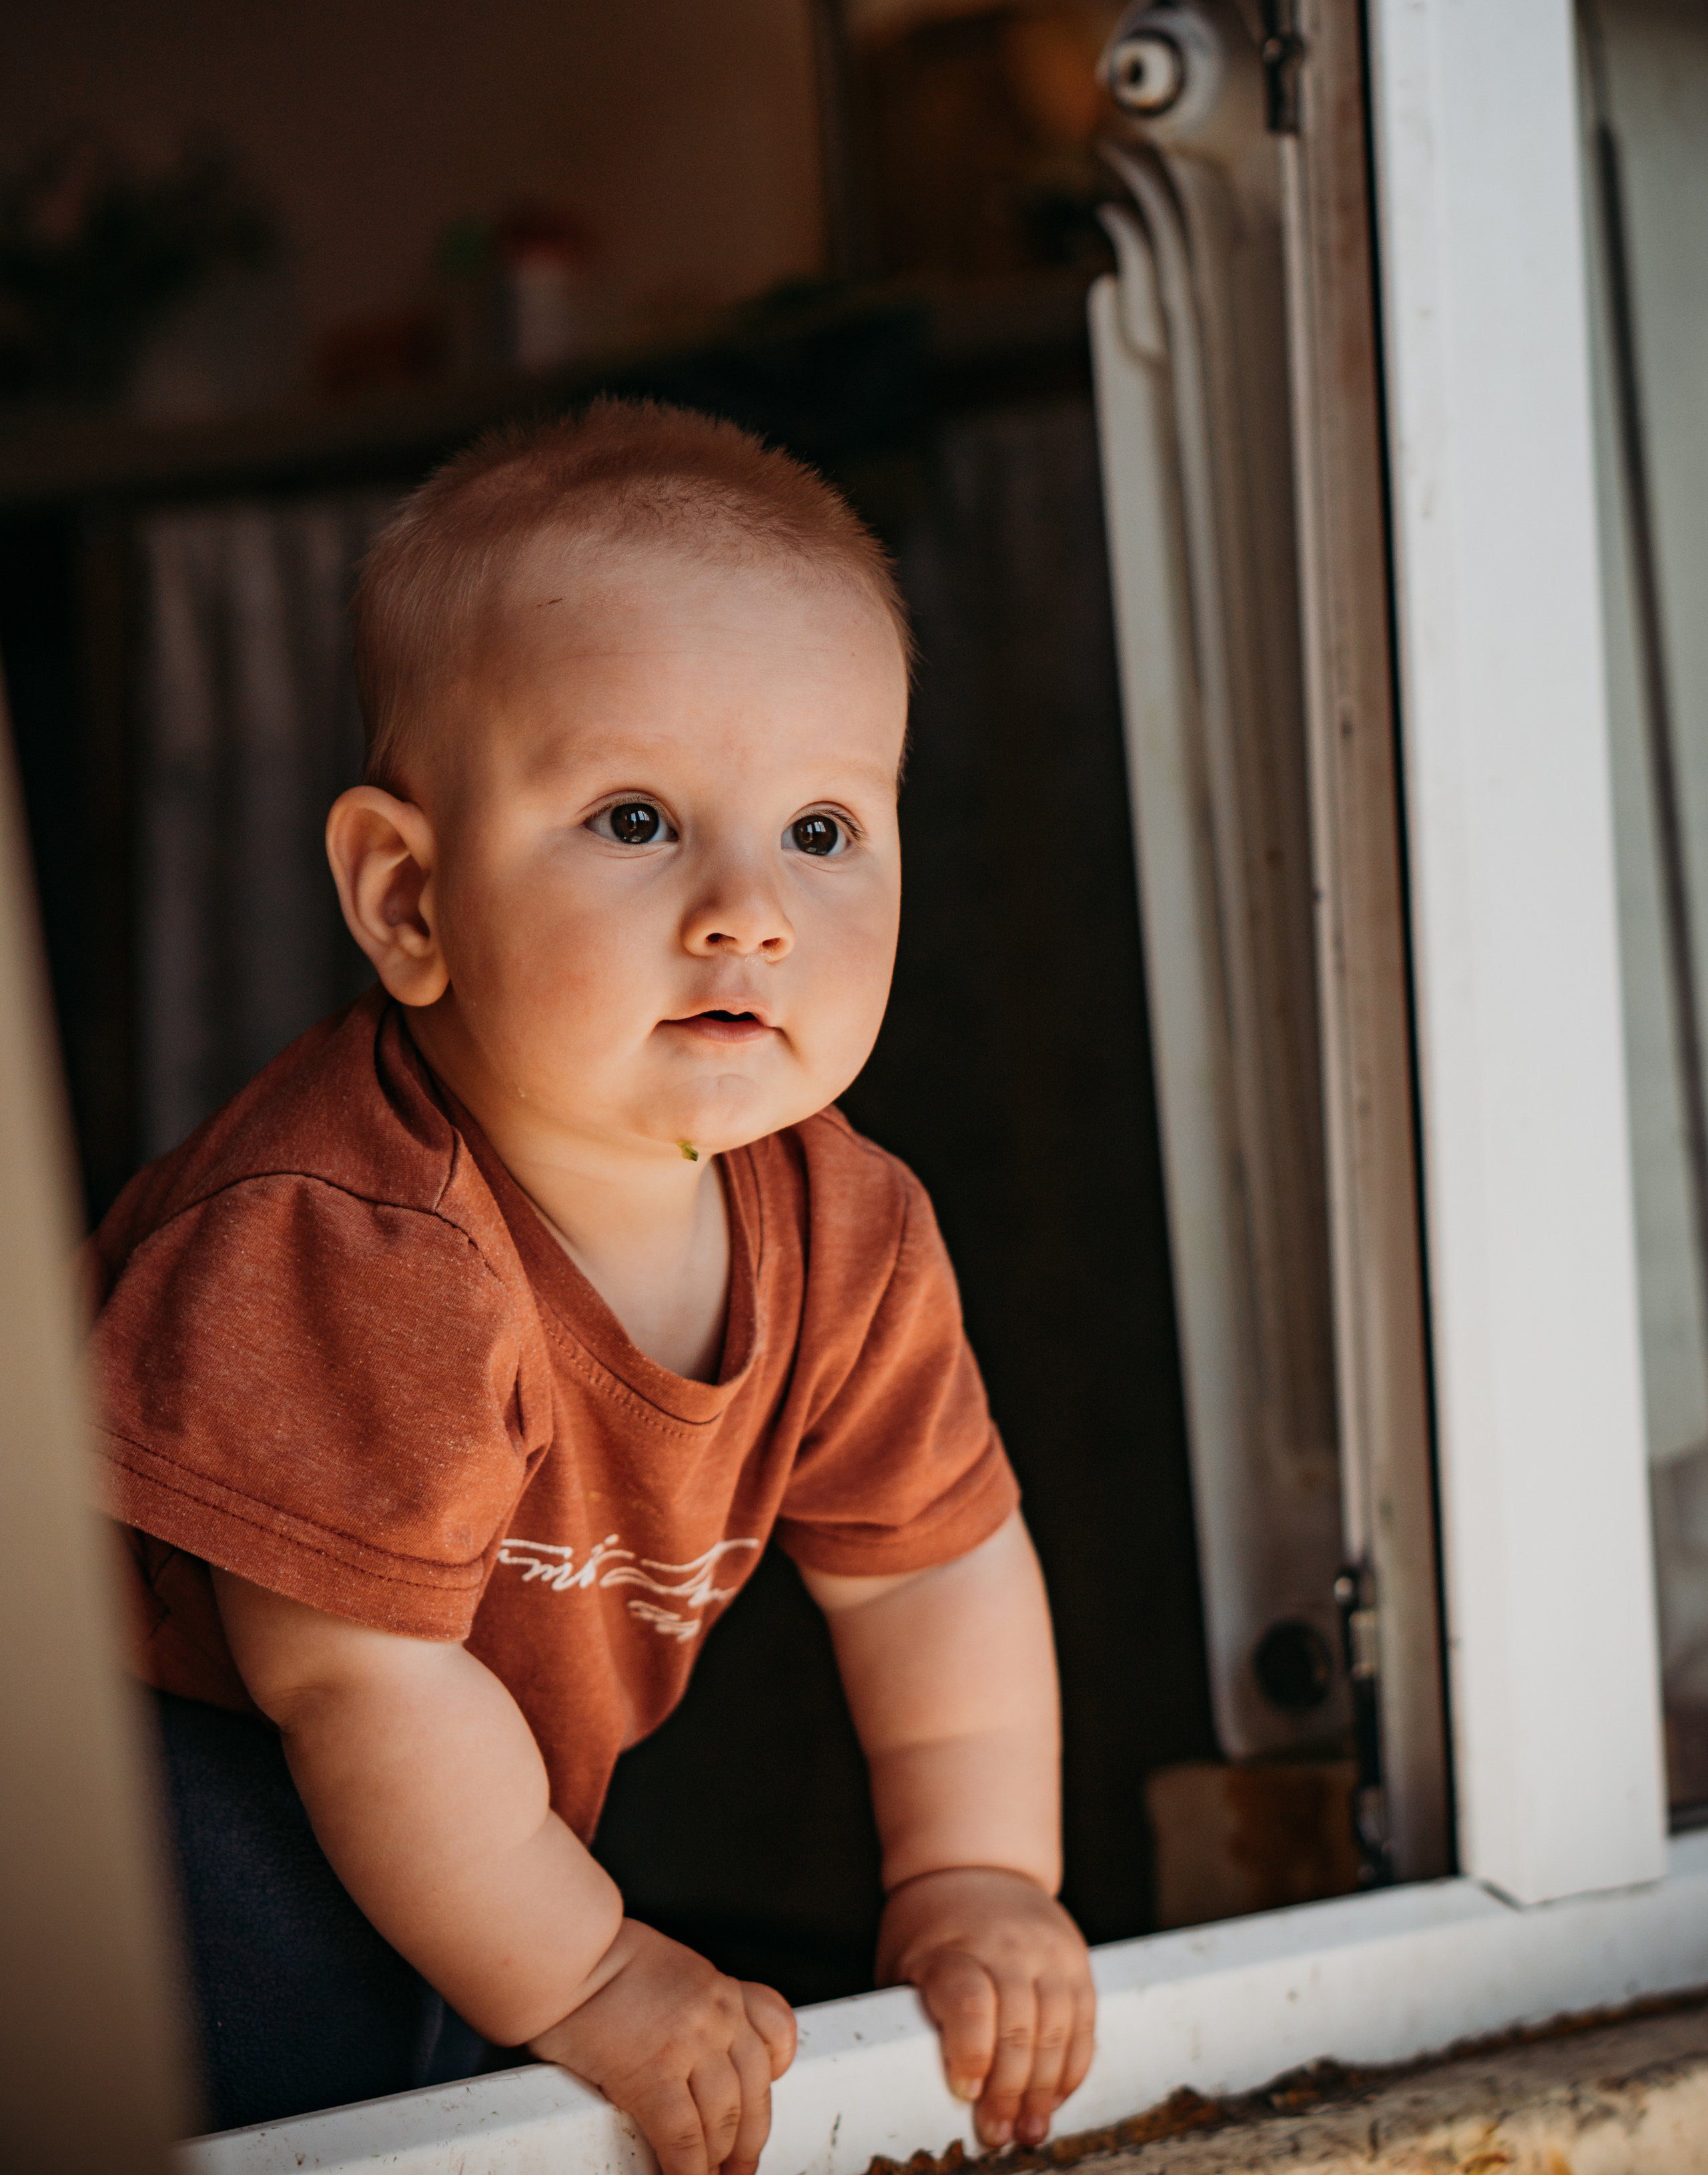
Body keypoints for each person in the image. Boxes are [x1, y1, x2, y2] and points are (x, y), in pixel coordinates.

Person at [88, 398, 1096, 2158]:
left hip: (442, 1794)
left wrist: (978, 1878)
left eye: (824, 831)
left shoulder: (848, 1232)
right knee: (333, 2080)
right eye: (637, 819)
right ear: (408, 900)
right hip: (153, 1776)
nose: (749, 913)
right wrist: (590, 1978)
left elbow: (938, 1578)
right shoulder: (354, 1239)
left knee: (447, 2009)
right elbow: (363, 1691)